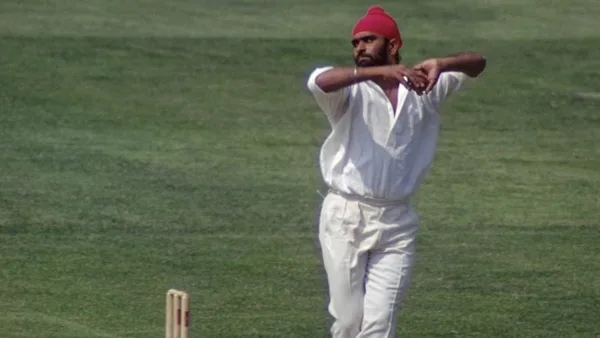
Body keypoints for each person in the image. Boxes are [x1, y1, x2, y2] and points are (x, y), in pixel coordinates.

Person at [305, 5, 487, 338]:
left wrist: (441, 63)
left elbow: (478, 63)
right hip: (345, 215)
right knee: (347, 322)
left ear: (393, 45)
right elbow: (318, 81)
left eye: (368, 40)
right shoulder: (350, 89)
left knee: (379, 327)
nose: (359, 48)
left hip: (397, 220)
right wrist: (375, 75)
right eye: (355, 42)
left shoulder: (426, 85)